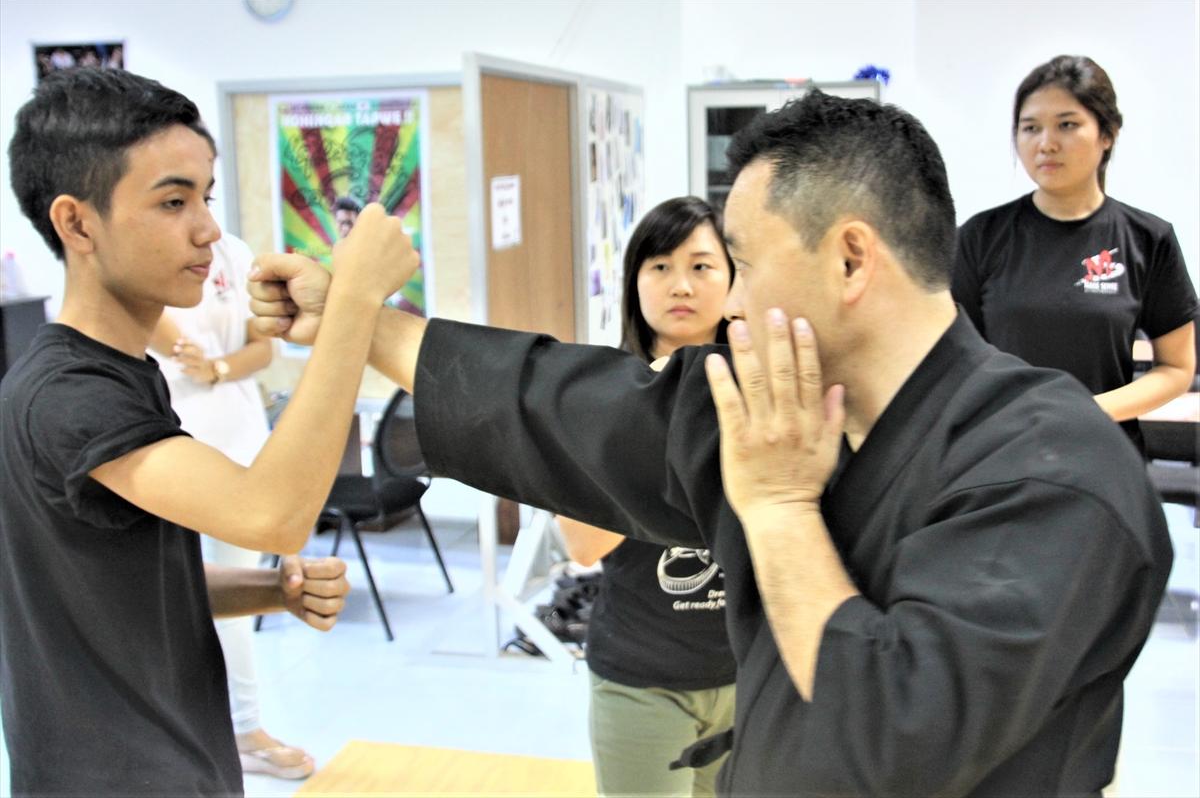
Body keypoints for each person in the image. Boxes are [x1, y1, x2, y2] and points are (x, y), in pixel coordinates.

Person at [250, 90, 1174, 796]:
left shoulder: (1054, 470)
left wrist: (780, 510)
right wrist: (356, 321)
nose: (730, 300)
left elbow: (896, 732)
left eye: (745, 263)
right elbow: (564, 403)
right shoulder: (764, 399)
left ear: (851, 258)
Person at [0, 67, 414, 796]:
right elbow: (272, 514)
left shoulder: (118, 372)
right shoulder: (69, 395)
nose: (208, 230)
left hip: (172, 759)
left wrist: (270, 589)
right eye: (173, 201)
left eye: (205, 197)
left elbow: (127, 582)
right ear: (77, 223)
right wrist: (353, 301)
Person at [555, 196, 736, 797]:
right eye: (660, 266)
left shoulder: (761, 385)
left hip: (750, 674)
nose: (681, 284)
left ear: (732, 279)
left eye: (702, 266)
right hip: (641, 677)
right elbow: (582, 546)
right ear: (635, 282)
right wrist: (650, 424)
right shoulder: (598, 395)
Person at [953, 55, 1197, 453]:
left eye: (1067, 125)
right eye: (1030, 128)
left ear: (1107, 134)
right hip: (1002, 455)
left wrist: (1085, 410)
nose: (1046, 144)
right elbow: (955, 357)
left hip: (1105, 455)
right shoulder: (980, 236)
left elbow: (1176, 368)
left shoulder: (1148, 239)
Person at [149, 232, 314, 781]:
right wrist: (189, 355)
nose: (202, 219)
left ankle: (245, 731)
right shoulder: (138, 248)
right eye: (178, 199)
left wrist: (216, 368)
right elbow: (149, 325)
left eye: (208, 195)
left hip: (241, 446)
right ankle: (195, 735)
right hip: (169, 450)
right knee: (173, 598)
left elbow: (263, 348)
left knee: (237, 602)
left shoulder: (233, 252)